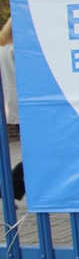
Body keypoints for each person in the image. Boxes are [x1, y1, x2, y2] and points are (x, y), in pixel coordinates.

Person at [0, 17, 23, 202]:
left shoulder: (2, 48)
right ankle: (11, 187)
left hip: (12, 107)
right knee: (38, 152)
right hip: (26, 106)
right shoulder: (18, 49)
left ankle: (11, 189)